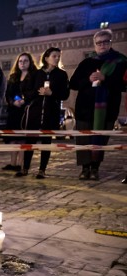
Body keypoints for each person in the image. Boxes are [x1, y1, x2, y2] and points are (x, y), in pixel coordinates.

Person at [70, 29, 127, 180]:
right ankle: (84, 168)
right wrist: (88, 80)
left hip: (107, 110)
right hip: (85, 109)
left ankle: (95, 168)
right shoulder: (87, 62)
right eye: (99, 43)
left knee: (100, 140)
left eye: (105, 42)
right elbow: (73, 83)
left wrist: (105, 78)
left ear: (110, 43)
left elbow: (123, 85)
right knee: (83, 140)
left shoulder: (120, 62)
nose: (102, 45)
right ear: (94, 45)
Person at [16, 47, 69, 179]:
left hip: (51, 113)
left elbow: (65, 94)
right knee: (30, 140)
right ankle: (25, 168)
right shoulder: (35, 74)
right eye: (54, 56)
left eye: (58, 56)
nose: (56, 58)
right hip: (35, 112)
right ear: (46, 58)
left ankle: (42, 170)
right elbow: (25, 91)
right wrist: (37, 92)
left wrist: (52, 93)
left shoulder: (62, 75)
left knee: (46, 141)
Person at [4, 52, 37, 173]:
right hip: (14, 110)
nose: (22, 63)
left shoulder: (33, 76)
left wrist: (24, 100)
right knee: (13, 138)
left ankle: (21, 164)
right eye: (20, 61)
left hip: (26, 111)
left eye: (25, 61)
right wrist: (13, 102)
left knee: (23, 139)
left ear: (30, 62)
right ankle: (13, 164)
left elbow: (35, 92)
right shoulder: (13, 77)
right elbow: (7, 94)